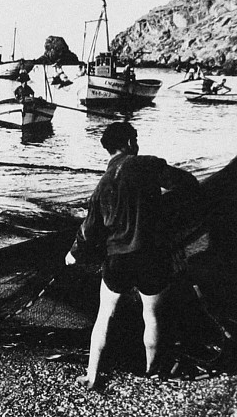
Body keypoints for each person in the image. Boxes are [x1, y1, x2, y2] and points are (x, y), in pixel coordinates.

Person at [65, 122, 199, 390]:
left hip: (118, 260)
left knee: (105, 315)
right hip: (151, 257)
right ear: (127, 142)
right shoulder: (148, 165)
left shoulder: (102, 185)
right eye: (134, 139)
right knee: (152, 316)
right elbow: (187, 184)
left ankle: (92, 375)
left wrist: (73, 254)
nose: (136, 143)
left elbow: (90, 229)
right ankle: (151, 373)